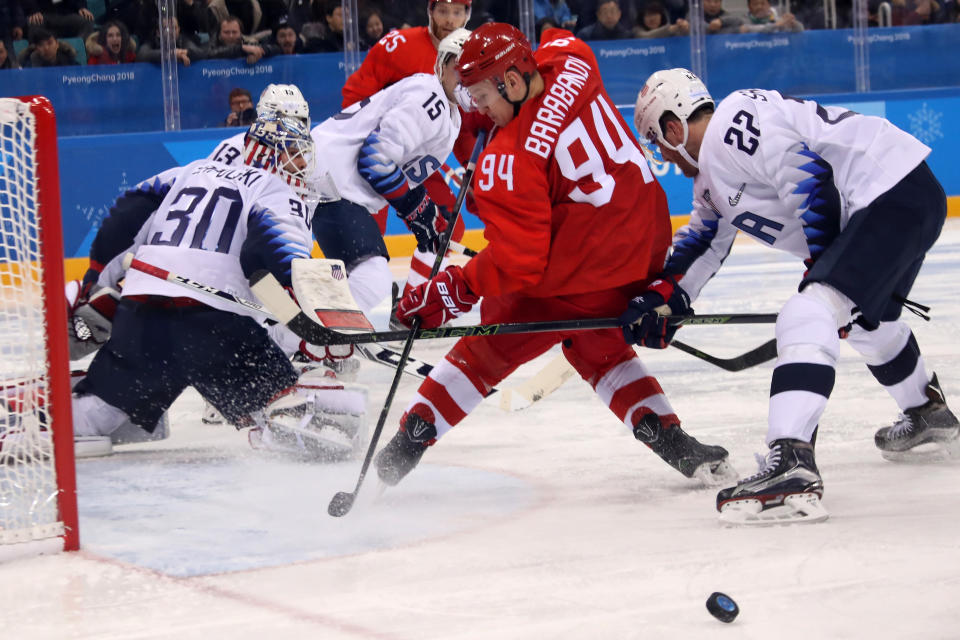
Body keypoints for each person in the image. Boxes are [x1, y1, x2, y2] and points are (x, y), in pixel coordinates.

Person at [375, 24, 735, 489]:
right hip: (646, 251)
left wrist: (453, 288)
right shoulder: (574, 60)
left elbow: (519, 262)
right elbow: (555, 37)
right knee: (596, 344)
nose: (480, 110)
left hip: (587, 269)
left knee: (488, 342)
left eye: (483, 95)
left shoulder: (508, 159)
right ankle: (671, 438)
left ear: (510, 81)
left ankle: (409, 439)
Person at [626, 68, 959, 524]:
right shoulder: (712, 181)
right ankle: (927, 412)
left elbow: (809, 179)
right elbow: (701, 244)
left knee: (808, 312)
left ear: (672, 127)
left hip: (888, 191)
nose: (661, 153)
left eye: (656, 141)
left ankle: (792, 461)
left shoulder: (732, 122)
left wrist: (820, 268)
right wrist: (662, 300)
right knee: (862, 320)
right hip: (905, 195)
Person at [69, 115, 366, 460]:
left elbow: (124, 216)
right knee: (284, 405)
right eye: (293, 154)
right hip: (214, 324)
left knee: (99, 413)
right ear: (267, 154)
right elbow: (272, 260)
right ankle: (286, 415)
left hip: (141, 313)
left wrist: (94, 281)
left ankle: (34, 424)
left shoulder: (189, 170)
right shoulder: (274, 189)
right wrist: (315, 323)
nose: (302, 164)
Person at [339, 2, 483, 323]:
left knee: (448, 227)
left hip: (421, 161)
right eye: (443, 10)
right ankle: (348, 303)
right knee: (364, 240)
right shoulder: (397, 44)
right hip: (378, 155)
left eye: (457, 12)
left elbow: (459, 127)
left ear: (467, 16)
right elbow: (357, 91)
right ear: (430, 11)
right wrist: (356, 139)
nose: (449, 19)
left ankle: (411, 304)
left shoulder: (470, 56)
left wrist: (473, 168)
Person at [136, 15, 205, 66]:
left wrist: (184, 52)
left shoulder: (183, 40)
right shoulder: (152, 42)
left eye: (174, 28)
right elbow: (141, 56)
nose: (171, 32)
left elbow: (200, 53)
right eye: (167, 29)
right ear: (158, 32)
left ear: (179, 29)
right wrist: (170, 54)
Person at [21, 0, 94, 39]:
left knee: (87, 21)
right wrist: (33, 11)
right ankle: (37, 59)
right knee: (34, 24)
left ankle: (78, 55)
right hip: (43, 15)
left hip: (66, 14)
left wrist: (81, 7)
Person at [739, 0, 804, 32]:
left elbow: (800, 30)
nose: (759, 7)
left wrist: (793, 23)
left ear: (769, 5)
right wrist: (776, 25)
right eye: (755, 4)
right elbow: (763, 30)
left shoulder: (777, 20)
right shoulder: (743, 22)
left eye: (763, 3)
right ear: (749, 7)